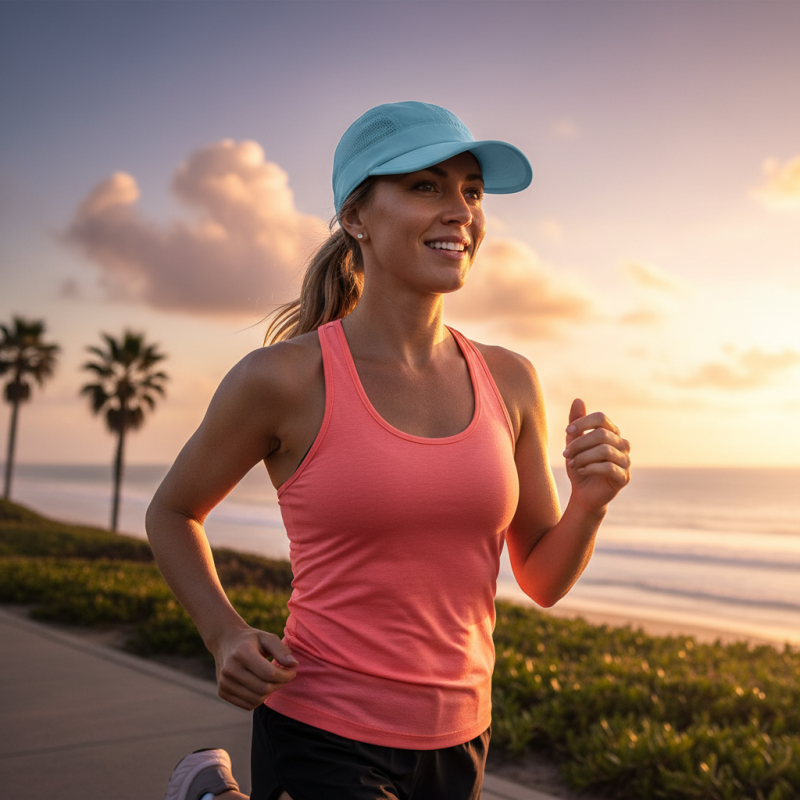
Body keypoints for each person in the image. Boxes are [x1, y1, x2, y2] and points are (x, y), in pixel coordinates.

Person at [147, 101, 631, 800]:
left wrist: (589, 504)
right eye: (425, 186)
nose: (460, 210)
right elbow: (173, 512)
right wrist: (223, 633)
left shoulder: (513, 379)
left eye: (471, 190)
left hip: (461, 734)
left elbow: (542, 581)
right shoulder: (282, 379)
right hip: (321, 724)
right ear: (356, 217)